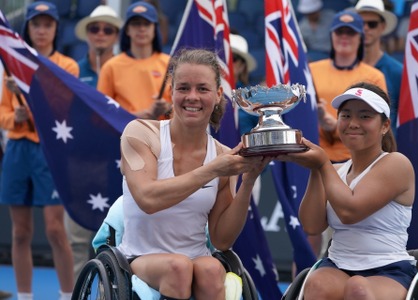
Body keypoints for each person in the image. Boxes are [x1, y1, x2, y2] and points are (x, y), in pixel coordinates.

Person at [117, 48, 270, 299]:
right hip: (141, 256)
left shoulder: (222, 155)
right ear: (172, 92)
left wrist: (249, 179)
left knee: (211, 268)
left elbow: (222, 240)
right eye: (183, 88)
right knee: (178, 267)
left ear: (218, 95)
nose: (192, 97)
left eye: (202, 89)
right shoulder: (140, 132)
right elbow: (148, 199)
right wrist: (212, 170)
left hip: (196, 258)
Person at [276, 82, 416, 299]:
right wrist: (316, 169)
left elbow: (350, 212)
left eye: (365, 116)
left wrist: (322, 163)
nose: (353, 123)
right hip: (336, 265)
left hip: (389, 270)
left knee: (357, 288)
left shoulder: (397, 163)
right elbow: (312, 226)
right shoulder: (334, 170)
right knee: (316, 284)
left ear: (385, 125)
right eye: (346, 115)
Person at [0, 2, 78, 300]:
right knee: (20, 233)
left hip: (51, 151)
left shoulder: (67, 66)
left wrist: (27, 95)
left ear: (56, 28)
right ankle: (24, 297)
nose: (42, 30)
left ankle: (67, 295)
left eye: (47, 24)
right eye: (36, 24)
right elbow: (3, 113)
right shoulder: (13, 65)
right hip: (18, 149)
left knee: (56, 230)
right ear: (28, 29)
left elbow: (64, 109)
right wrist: (13, 118)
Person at [307, 9, 387, 259]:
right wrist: (323, 124)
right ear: (330, 36)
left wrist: (333, 124)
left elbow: (379, 121)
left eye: (350, 32)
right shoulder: (311, 69)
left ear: (360, 37)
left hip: (356, 164)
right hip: (316, 159)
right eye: (339, 32)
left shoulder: (373, 75)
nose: (344, 37)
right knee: (310, 233)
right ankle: (305, 282)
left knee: (348, 229)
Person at [63, 4, 123, 282]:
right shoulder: (72, 71)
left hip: (118, 163)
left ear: (116, 35)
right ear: (87, 33)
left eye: (108, 29)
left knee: (115, 238)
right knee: (76, 239)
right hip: (81, 161)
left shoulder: (124, 68)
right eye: (95, 29)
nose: (101, 34)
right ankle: (77, 292)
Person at [97, 1, 171, 120]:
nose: (141, 29)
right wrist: (135, 117)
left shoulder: (170, 64)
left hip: (163, 134)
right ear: (127, 30)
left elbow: (183, 109)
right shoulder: (111, 67)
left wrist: (167, 108)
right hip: (124, 135)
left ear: (154, 28)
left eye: (147, 24)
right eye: (136, 24)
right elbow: (101, 112)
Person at [355, 0, 403, 137]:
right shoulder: (343, 68)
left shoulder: (397, 71)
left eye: (372, 24)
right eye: (360, 23)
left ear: (382, 27)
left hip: (385, 150)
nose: (365, 28)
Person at [230, 33, 263, 204]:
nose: (227, 61)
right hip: (208, 170)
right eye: (222, 56)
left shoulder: (255, 98)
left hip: (245, 172)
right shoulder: (202, 95)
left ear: (242, 66)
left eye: (233, 58)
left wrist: (253, 170)